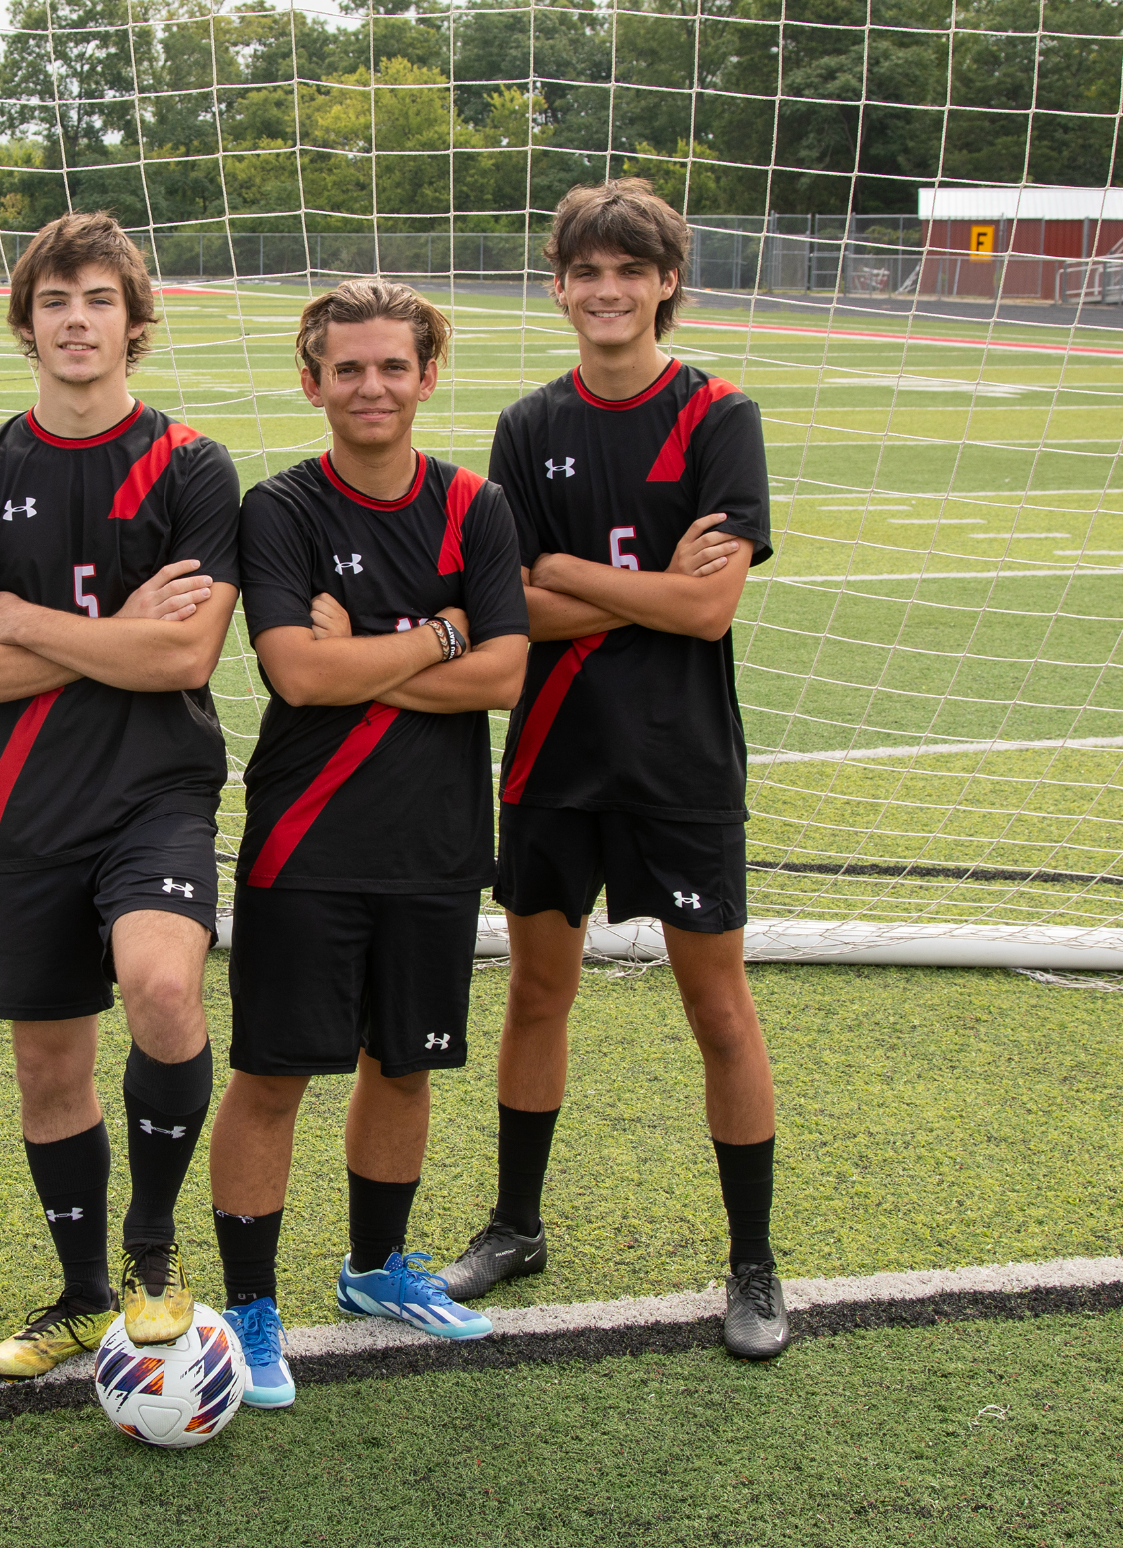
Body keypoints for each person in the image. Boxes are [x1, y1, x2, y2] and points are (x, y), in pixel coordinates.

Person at [437, 178, 789, 1361]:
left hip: (681, 765)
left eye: (628, 271)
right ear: (558, 286)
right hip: (551, 759)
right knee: (537, 994)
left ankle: (751, 1261)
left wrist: (575, 576)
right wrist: (642, 593)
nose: (606, 290)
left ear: (666, 282)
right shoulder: (530, 425)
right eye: (585, 272)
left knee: (717, 1010)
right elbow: (510, 608)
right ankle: (515, 1225)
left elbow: (709, 608)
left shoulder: (717, 418)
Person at [0, 212, 242, 1380]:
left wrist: (19, 618)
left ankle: (153, 1253)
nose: (76, 319)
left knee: (162, 988)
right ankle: (81, 1297)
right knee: (49, 1069)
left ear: (133, 321)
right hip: (25, 806)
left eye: (99, 298)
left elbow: (184, 660)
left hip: (156, 793)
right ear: (25, 322)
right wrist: (108, 632)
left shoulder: (193, 467)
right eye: (55, 300)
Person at [207, 280, 529, 1409]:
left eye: (392, 365)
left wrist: (389, 649)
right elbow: (295, 672)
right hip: (307, 839)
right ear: (312, 382)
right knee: (274, 1071)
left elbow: (504, 672)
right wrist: (442, 636)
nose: (371, 386)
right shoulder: (280, 509)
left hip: (435, 843)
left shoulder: (474, 508)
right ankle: (251, 1307)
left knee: (406, 1062)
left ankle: (376, 1270)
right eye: (347, 368)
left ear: (427, 375)